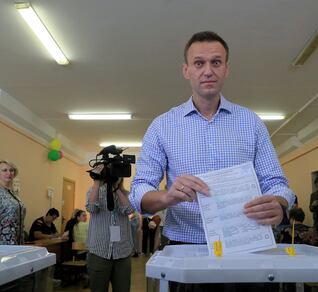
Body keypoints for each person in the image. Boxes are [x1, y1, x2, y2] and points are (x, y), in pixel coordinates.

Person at [130, 31, 295, 291]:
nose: (208, 70)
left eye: (216, 62)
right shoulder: (161, 126)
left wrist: (280, 204)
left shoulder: (251, 123)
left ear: (226, 69)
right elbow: (139, 190)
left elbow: (276, 182)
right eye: (199, 63)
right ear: (186, 70)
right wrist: (168, 197)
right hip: (184, 251)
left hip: (247, 249)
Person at [86, 164, 134, 292]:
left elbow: (129, 210)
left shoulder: (126, 194)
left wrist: (116, 188)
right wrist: (97, 182)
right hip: (99, 252)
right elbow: (91, 208)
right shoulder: (93, 191)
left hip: (122, 253)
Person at [0, 160, 26, 245]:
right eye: (4, 170)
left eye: (11, 170)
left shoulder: (13, 193)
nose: (9, 173)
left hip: (17, 241)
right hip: (4, 243)